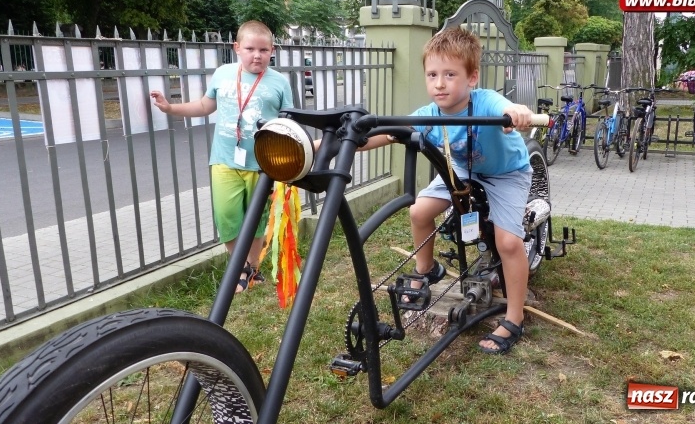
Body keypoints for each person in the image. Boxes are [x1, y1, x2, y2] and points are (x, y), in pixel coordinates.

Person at [327, 27, 535, 354]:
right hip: (462, 170)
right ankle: (427, 270)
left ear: (472, 78)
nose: (439, 83)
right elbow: (386, 134)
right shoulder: (429, 116)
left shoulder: (486, 102)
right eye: (432, 74)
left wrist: (517, 113)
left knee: (508, 242)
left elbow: (505, 107)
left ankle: (515, 316)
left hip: (505, 173)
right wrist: (321, 148)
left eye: (450, 74)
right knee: (419, 211)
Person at [150, 20, 294, 293]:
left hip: (263, 165)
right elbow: (205, 105)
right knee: (227, 215)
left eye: (263, 50)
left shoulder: (279, 82)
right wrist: (170, 108)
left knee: (256, 218)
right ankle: (239, 266)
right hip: (224, 160)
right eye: (250, 48)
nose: (257, 55)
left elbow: (288, 122)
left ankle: (251, 269)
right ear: (236, 48)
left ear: (272, 50)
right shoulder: (223, 74)